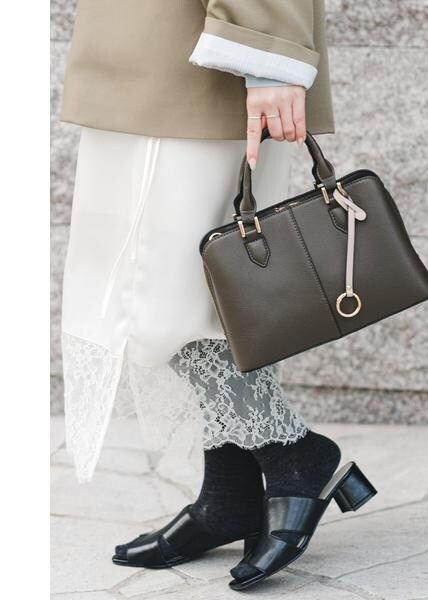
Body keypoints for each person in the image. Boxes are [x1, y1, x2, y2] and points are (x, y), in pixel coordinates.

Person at [59, 0, 375, 590]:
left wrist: (268, 53)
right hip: (139, 50)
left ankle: (292, 453)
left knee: (161, 306)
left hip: (193, 60)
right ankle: (231, 494)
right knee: (210, 304)